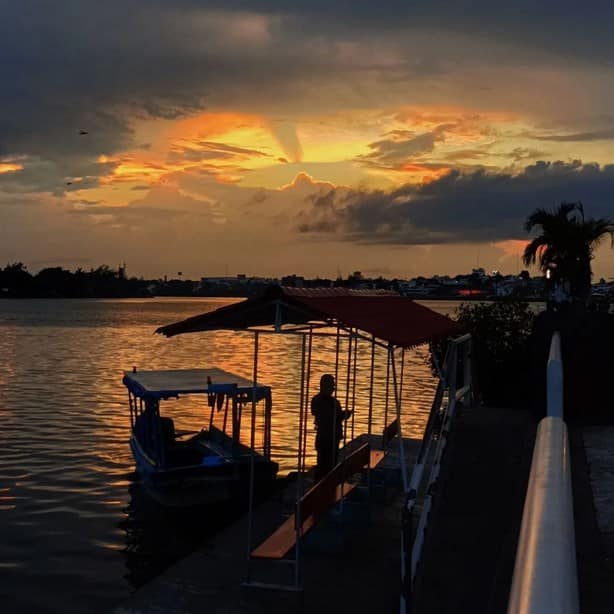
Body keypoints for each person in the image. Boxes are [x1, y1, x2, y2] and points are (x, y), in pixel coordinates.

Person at [311, 374, 352, 480]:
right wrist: (344, 414)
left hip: (331, 438)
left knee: (329, 464)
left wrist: (343, 414)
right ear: (324, 386)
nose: (333, 389)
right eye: (332, 386)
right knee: (324, 465)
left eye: (333, 386)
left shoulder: (325, 401)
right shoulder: (321, 401)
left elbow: (335, 416)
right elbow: (331, 417)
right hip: (327, 438)